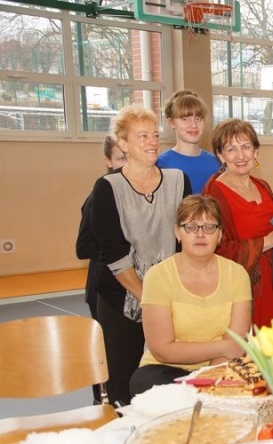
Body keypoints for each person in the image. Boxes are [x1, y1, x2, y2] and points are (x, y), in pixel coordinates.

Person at [91, 106, 190, 405]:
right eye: (143, 136)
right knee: (122, 379)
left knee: (169, 376)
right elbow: (113, 253)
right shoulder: (107, 187)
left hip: (169, 291)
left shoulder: (178, 180)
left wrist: (173, 294)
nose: (152, 142)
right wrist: (150, 298)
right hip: (121, 296)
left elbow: (183, 237)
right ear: (123, 143)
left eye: (155, 135)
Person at [129, 195, 252, 396]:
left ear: (220, 234)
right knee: (147, 385)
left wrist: (207, 380)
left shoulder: (237, 274)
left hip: (220, 367)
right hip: (164, 370)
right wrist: (222, 347)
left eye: (209, 227)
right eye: (191, 227)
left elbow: (236, 347)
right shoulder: (158, 276)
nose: (200, 234)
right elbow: (162, 350)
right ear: (178, 232)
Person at [202, 118, 273, 327]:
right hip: (243, 291)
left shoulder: (263, 186)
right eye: (231, 149)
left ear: (256, 151)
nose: (241, 156)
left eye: (246, 147)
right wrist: (268, 241)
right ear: (220, 155)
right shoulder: (214, 193)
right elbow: (214, 250)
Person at [76, 134, 127, 321]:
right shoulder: (99, 196)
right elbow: (83, 247)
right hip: (105, 289)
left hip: (129, 287)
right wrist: (123, 250)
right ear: (108, 161)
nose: (127, 164)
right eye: (121, 159)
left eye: (131, 157)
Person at [157, 90, 219, 194]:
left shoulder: (216, 163)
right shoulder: (162, 164)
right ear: (171, 122)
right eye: (185, 119)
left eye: (198, 119)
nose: (193, 125)